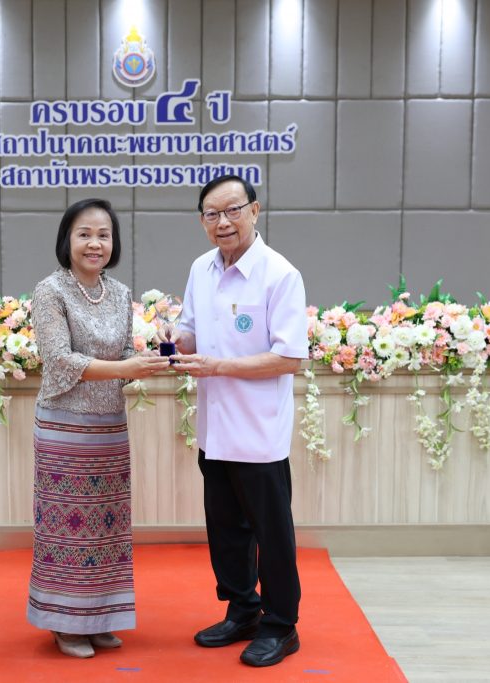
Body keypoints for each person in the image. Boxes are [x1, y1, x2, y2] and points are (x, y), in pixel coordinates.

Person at [162, 174, 308, 668]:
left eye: (232, 210)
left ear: (254, 211)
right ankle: (243, 608)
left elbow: (289, 357)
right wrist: (173, 342)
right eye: (211, 214)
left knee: (271, 533)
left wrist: (218, 365)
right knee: (225, 527)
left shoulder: (280, 274)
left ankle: (281, 624)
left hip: (259, 430)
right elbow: (190, 331)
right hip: (215, 426)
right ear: (201, 220)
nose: (223, 222)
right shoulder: (201, 268)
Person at [27, 198, 169, 658]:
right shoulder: (50, 290)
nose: (95, 243)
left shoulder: (119, 292)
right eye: (84, 234)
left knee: (107, 528)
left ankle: (100, 618)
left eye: (103, 235)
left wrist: (148, 362)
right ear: (67, 239)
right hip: (64, 427)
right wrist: (126, 366)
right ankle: (65, 623)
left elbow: (123, 357)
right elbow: (59, 360)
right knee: (66, 529)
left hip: (110, 428)